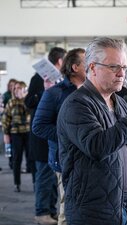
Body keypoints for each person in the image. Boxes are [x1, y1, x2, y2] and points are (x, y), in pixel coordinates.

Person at [57, 37, 127, 225]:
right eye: (114, 67)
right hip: (95, 211)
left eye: (124, 68)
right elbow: (97, 146)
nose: (121, 74)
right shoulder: (77, 104)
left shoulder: (120, 103)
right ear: (92, 68)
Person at [32, 48, 86, 225]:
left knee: (83, 209)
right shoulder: (55, 93)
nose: (94, 66)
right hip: (64, 160)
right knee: (67, 210)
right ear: (75, 67)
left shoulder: (91, 91)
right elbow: (39, 126)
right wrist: (68, 136)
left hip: (87, 159)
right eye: (88, 62)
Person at [26, 47, 66, 225]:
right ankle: (42, 212)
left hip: (50, 136)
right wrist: (45, 90)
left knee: (51, 178)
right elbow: (29, 101)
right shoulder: (39, 78)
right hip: (41, 136)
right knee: (44, 176)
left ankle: (51, 211)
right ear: (59, 61)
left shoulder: (60, 79)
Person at [2, 81, 31, 192]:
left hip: (28, 132)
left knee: (31, 157)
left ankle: (35, 182)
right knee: (16, 158)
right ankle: (17, 183)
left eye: (19, 88)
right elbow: (5, 119)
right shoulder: (11, 102)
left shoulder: (27, 101)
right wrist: (6, 133)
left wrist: (23, 99)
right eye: (15, 88)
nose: (17, 90)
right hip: (15, 133)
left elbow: (29, 112)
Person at [2, 78, 17, 170]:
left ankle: (14, 161)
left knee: (15, 145)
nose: (12, 87)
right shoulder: (5, 96)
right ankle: (10, 161)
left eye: (14, 86)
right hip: (8, 122)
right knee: (8, 144)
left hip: (16, 125)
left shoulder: (17, 95)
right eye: (10, 85)